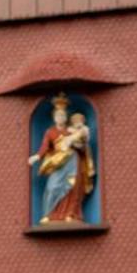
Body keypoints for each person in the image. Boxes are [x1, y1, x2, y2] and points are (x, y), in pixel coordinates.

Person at [29, 94, 95, 224]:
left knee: (72, 187)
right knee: (52, 187)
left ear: (66, 118)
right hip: (58, 163)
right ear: (54, 117)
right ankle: (49, 215)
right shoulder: (50, 132)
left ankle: (71, 214)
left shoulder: (71, 130)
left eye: (63, 115)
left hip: (73, 162)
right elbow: (45, 147)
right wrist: (37, 156)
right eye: (58, 116)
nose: (61, 118)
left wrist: (77, 142)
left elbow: (82, 145)